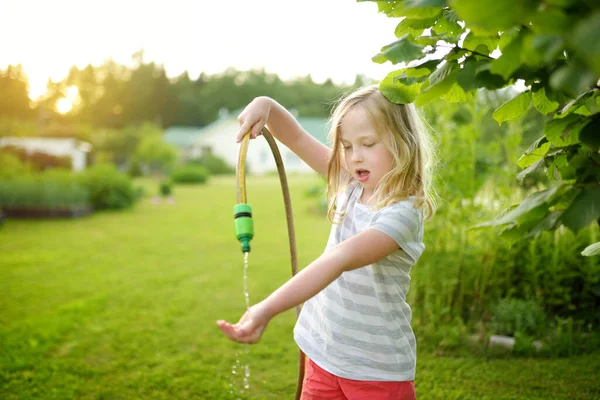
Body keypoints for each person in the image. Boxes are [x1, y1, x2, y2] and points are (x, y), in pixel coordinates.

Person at [217, 85, 437, 400]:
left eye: (368, 144)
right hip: (321, 354)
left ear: (403, 142)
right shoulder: (350, 183)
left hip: (376, 371)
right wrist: (264, 103)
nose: (354, 155)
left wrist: (266, 309)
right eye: (346, 145)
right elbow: (294, 137)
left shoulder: (402, 214)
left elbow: (337, 260)